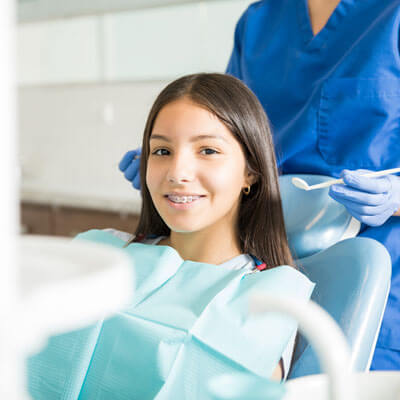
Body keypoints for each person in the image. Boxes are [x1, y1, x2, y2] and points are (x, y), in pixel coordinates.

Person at [119, 0, 400, 370]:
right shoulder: (259, 21)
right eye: (161, 150)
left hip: (378, 272)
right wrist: (179, 168)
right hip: (251, 253)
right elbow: (225, 126)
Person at [28, 73, 314, 400]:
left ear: (250, 171)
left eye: (207, 150)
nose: (177, 172)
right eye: (162, 151)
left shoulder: (266, 301)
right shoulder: (100, 252)